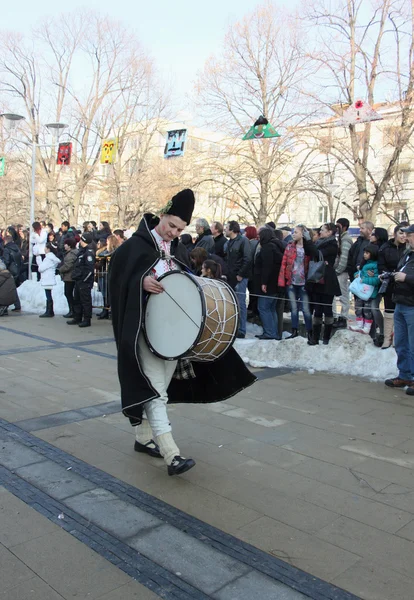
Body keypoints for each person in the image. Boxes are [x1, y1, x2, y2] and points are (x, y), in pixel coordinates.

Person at [109, 189, 256, 476]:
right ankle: (171, 454)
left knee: (159, 388)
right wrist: (142, 282)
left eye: (179, 229)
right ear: (161, 215)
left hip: (173, 332)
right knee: (155, 391)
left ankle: (142, 438)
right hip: (143, 330)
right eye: (171, 225)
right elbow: (118, 281)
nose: (174, 233)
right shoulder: (134, 247)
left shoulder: (176, 247)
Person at [385, 224, 414, 395]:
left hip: (412, 305)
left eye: (409, 235)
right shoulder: (408, 254)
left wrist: (407, 278)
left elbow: (407, 277)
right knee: (401, 344)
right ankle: (405, 375)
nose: (406, 238)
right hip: (401, 303)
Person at [305, 223, 341, 345]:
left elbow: (317, 253)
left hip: (327, 280)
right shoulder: (318, 242)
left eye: (323, 230)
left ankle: (326, 338)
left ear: (330, 232)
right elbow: (310, 252)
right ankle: (315, 337)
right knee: (317, 309)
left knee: (327, 308)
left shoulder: (332, 244)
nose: (320, 232)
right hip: (317, 278)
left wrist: (309, 241)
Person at [278, 225, 312, 340]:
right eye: (293, 232)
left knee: (306, 309)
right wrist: (283, 281)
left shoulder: (308, 248)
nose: (293, 234)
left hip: (304, 282)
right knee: (293, 308)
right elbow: (283, 264)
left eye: (296, 232)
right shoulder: (290, 246)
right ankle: (294, 331)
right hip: (292, 281)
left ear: (302, 234)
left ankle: (309, 332)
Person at [378, 225, 408, 349]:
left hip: (406, 285)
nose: (404, 236)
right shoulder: (385, 248)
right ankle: (387, 338)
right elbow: (381, 266)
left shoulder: (409, 249)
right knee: (389, 310)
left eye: (406, 234)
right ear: (395, 233)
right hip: (390, 283)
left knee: (402, 312)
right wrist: (388, 275)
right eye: (401, 233)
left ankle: (398, 338)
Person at [254, 227, 284, 340]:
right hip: (275, 283)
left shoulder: (267, 247)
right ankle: (274, 332)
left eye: (259, 235)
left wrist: (264, 283)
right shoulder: (277, 245)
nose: (258, 237)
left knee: (263, 307)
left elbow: (267, 266)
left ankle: (269, 332)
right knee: (271, 309)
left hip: (268, 283)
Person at [225, 220, 252, 339]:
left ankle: (242, 329)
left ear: (232, 229)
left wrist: (241, 274)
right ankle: (234, 327)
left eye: (226, 228)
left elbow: (247, 258)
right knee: (232, 302)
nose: (225, 229)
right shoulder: (230, 242)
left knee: (240, 302)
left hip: (240, 276)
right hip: (231, 275)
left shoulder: (243, 241)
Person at [349, 244, 380, 334]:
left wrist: (365, 279)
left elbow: (377, 280)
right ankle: (359, 325)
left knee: (367, 310)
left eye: (367, 253)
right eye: (364, 253)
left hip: (369, 293)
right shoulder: (364, 263)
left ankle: (367, 327)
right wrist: (356, 275)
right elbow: (360, 273)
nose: (365, 255)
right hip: (360, 291)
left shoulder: (375, 265)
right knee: (358, 308)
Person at [67, 232, 96, 328]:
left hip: (84, 281)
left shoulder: (88, 253)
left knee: (85, 301)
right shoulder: (82, 251)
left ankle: (87, 319)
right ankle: (77, 317)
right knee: (77, 300)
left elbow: (90, 269)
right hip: (78, 279)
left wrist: (85, 280)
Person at [368, 227, 389, 346]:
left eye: (373, 234)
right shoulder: (373, 246)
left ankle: (382, 332)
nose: (371, 235)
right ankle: (374, 333)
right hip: (371, 281)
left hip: (381, 282)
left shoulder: (383, 248)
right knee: (370, 308)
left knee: (374, 308)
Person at [333, 218, 353, 329]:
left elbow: (344, 257)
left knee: (343, 295)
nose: (336, 228)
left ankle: (343, 317)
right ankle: (336, 316)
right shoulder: (341, 238)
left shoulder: (346, 239)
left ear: (344, 226)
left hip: (342, 272)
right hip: (339, 271)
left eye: (338, 226)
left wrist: (338, 270)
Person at [35, 242, 60, 318]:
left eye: (45, 248)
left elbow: (40, 268)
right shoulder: (52, 258)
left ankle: (49, 311)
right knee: (48, 294)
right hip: (49, 278)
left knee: (48, 295)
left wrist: (38, 258)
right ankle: (50, 311)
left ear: (49, 249)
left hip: (47, 278)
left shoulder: (48, 258)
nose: (44, 249)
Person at [58, 237, 79, 319]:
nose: (64, 246)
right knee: (69, 294)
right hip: (71, 276)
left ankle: (72, 311)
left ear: (69, 245)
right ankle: (73, 310)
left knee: (68, 293)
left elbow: (68, 265)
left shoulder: (71, 254)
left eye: (65, 244)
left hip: (70, 277)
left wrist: (60, 269)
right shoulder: (72, 253)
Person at [2, 234, 22, 312]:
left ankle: (5, 306)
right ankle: (17, 305)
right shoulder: (16, 248)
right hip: (16, 269)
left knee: (7, 288)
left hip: (10, 270)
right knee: (12, 288)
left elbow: (6, 261)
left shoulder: (7, 249)